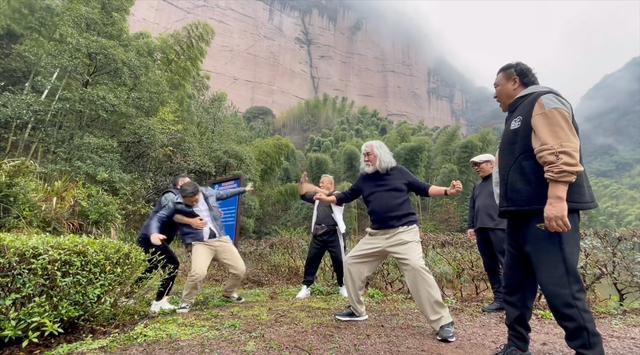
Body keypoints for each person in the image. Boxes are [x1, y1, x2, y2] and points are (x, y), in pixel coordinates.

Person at [492, 62, 603, 355]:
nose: (494, 94)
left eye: (496, 86)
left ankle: (590, 351)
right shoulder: (517, 113)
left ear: (514, 81)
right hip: (520, 214)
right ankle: (516, 346)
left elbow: (560, 148)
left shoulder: (543, 101)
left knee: (560, 288)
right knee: (515, 287)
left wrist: (556, 199)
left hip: (546, 212)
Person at [314, 140, 463, 343]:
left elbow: (424, 188)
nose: (365, 158)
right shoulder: (365, 179)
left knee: (416, 267)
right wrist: (328, 198)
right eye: (363, 155)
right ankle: (357, 310)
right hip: (377, 235)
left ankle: (443, 322)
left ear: (381, 154)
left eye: (369, 154)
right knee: (351, 262)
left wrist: (448, 191)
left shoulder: (399, 172)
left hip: (404, 233)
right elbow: (348, 195)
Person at [149, 180, 254, 314]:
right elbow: (159, 217)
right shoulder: (176, 202)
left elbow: (225, 193)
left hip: (220, 239)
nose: (193, 203)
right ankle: (186, 302)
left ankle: (229, 293)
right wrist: (154, 233)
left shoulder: (209, 193)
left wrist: (244, 189)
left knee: (240, 269)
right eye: (189, 202)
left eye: (195, 200)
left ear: (199, 192)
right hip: (200, 243)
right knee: (198, 273)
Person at [137, 174, 193, 313]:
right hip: (151, 237)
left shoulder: (182, 200)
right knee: (172, 264)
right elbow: (172, 210)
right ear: (180, 185)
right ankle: (160, 302)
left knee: (152, 267)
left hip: (149, 238)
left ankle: (126, 297)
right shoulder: (170, 195)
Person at [296, 172, 348, 299]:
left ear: (330, 184)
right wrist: (303, 183)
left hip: (334, 233)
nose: (320, 185)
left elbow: (329, 196)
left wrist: (314, 188)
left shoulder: (338, 195)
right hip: (318, 233)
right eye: (319, 183)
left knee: (339, 260)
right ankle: (306, 287)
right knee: (311, 259)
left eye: (322, 183)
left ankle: (343, 286)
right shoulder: (318, 197)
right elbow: (303, 194)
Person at [467, 153, 507, 313]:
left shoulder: (502, 181)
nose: (477, 168)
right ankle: (499, 299)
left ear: (492, 164)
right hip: (481, 229)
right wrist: (471, 227)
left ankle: (513, 298)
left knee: (506, 263)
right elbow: (472, 207)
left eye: (480, 164)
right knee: (490, 265)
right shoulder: (478, 186)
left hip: (500, 226)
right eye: (475, 166)